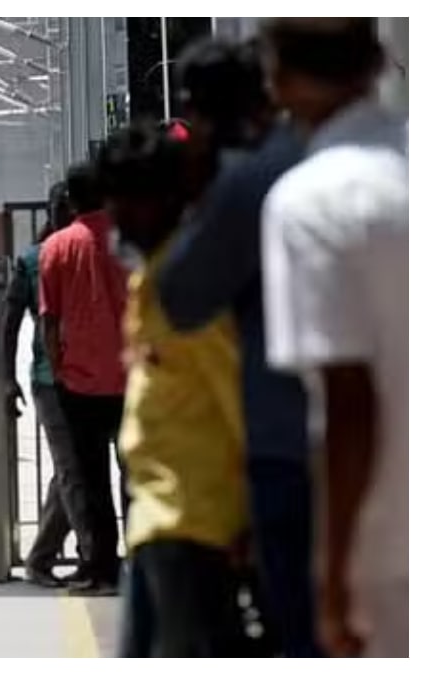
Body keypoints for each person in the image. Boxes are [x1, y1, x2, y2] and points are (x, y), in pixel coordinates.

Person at [155, 38, 320, 656]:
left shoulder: (245, 183)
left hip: (282, 441)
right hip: (369, 432)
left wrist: (196, 189)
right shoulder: (325, 156)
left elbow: (182, 294)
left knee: (294, 619)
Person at [258, 18, 407, 658]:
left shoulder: (310, 203)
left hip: (390, 545)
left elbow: (350, 400)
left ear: (280, 81)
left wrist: (331, 576)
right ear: (378, 62)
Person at [101, 122, 249, 657]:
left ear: (165, 199)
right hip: (157, 516)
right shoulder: (156, 277)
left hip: (195, 520)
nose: (116, 218)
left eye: (128, 202)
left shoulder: (190, 285)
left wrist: (248, 519)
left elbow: (237, 398)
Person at [38, 162, 128, 594]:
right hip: (134, 379)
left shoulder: (55, 247)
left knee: (92, 483)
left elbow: (49, 322)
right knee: (139, 476)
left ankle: (101, 569)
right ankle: (144, 564)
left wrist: (57, 369)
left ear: (71, 201)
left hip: (79, 384)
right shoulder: (128, 239)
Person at [4, 181, 79, 587]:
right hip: (50, 379)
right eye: (62, 206)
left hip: (80, 376)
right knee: (73, 470)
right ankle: (61, 556)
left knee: (72, 471)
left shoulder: (73, 252)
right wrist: (6, 379)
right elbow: (9, 323)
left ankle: (50, 554)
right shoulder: (34, 260)